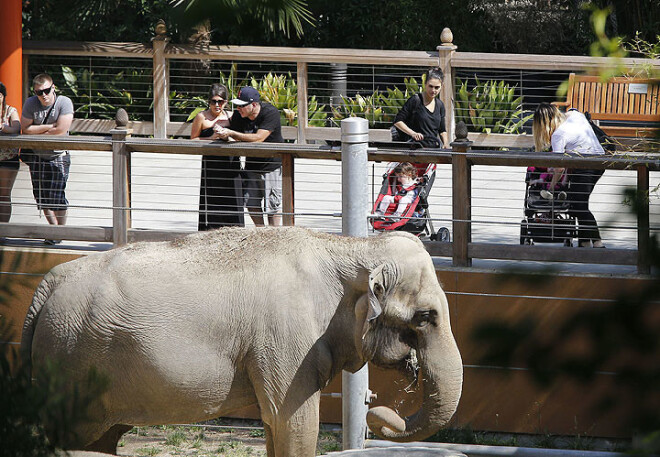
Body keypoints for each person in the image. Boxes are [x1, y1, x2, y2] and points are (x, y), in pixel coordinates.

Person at [532, 103, 606, 248]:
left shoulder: (558, 135)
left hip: (586, 166)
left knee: (577, 206)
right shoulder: (575, 114)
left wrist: (551, 188)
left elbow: (559, 168)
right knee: (580, 203)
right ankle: (584, 242)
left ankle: (598, 243)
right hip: (599, 161)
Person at [216, 86, 283, 227]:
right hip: (251, 166)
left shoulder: (270, 112)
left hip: (271, 167)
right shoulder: (239, 116)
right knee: (251, 203)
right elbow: (234, 139)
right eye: (237, 105)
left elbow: (259, 138)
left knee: (272, 206)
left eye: (242, 106)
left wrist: (232, 133)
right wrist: (223, 135)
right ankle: (260, 232)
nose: (238, 109)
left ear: (253, 105)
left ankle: (275, 236)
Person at [20, 73, 74, 245]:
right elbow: (25, 128)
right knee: (41, 196)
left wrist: (38, 129)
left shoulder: (64, 102)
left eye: (46, 90)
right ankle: (53, 229)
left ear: (53, 88)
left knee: (57, 195)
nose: (43, 95)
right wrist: (51, 126)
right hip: (37, 156)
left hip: (59, 155)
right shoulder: (30, 103)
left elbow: (62, 129)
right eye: (38, 92)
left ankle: (60, 231)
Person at [191, 83, 244, 229]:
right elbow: (193, 140)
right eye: (213, 101)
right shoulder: (201, 117)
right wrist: (212, 137)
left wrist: (228, 135)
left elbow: (241, 137)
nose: (217, 105)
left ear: (226, 102)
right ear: (208, 101)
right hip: (212, 163)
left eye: (220, 101)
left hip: (231, 162)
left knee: (233, 197)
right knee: (212, 198)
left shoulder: (233, 116)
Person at [393, 67, 449, 149]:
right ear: (425, 84)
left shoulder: (440, 105)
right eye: (430, 86)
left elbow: (442, 130)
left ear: (441, 86)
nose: (433, 90)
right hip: (415, 150)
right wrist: (413, 134)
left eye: (437, 87)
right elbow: (397, 121)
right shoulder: (415, 100)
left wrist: (446, 143)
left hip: (433, 151)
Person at [0, 82, 21, 228]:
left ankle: (4, 230)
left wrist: (3, 127)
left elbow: (16, 127)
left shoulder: (10, 110)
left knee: (4, 195)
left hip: (8, 158)